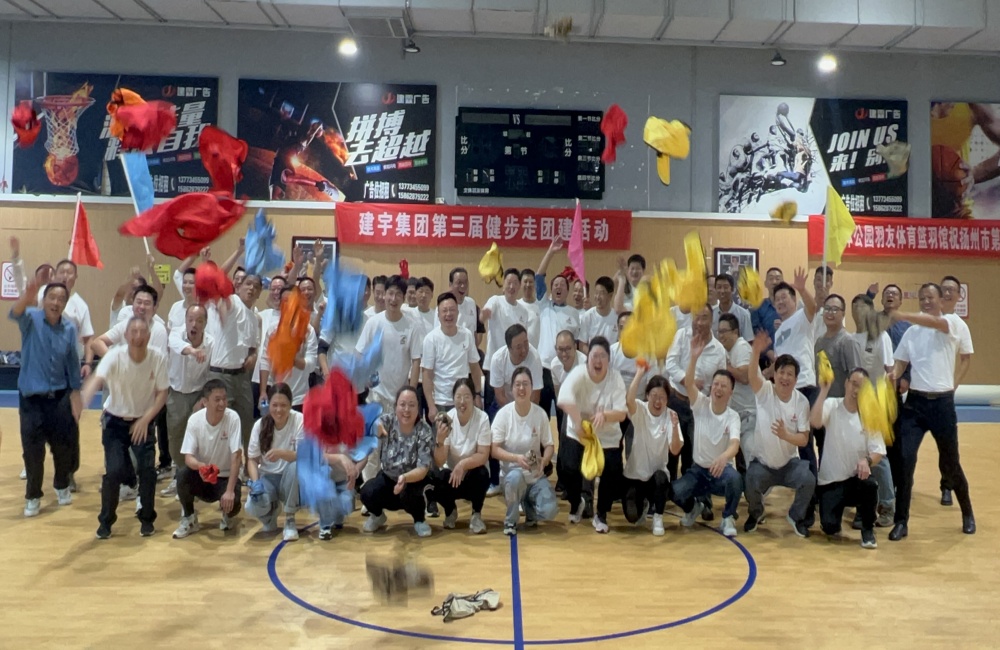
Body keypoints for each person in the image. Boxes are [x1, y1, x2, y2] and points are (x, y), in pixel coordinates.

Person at [888, 283, 975, 541]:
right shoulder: (911, 333)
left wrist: (902, 315)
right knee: (905, 460)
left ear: (940, 301)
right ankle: (901, 521)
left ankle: (967, 512)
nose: (926, 301)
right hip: (915, 405)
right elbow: (900, 362)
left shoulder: (949, 323)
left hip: (942, 405)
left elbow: (935, 323)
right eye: (922, 298)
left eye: (930, 297)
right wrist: (894, 373)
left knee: (951, 463)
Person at [80, 317, 168, 539]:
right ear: (126, 336)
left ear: (148, 336)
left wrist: (145, 420)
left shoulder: (157, 358)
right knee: (114, 472)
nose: (138, 336)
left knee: (147, 471)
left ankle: (146, 519)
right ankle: (106, 521)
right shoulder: (114, 356)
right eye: (133, 332)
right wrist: (82, 402)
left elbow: (162, 394)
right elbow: (96, 380)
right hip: (115, 422)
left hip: (143, 421)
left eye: (142, 332)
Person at [10, 280, 83, 517]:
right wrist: (27, 295)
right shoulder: (31, 318)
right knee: (33, 451)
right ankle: (33, 496)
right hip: (31, 399)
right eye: (52, 297)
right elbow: (14, 313)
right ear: (44, 300)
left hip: (59, 398)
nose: (56, 302)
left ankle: (61, 485)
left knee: (63, 447)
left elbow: (72, 362)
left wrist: (76, 392)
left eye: (61, 299)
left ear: (65, 303)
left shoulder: (69, 328)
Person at [744, 332, 816, 538]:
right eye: (781, 372)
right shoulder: (765, 391)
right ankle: (756, 513)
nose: (785, 377)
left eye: (789, 374)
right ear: (774, 375)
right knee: (749, 480)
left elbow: (803, 439)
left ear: (796, 379)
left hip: (789, 464)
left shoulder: (801, 402)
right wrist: (756, 351)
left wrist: (785, 435)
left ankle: (795, 516)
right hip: (763, 463)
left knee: (808, 479)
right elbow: (752, 377)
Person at [356, 275, 425, 482]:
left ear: (404, 298)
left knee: (400, 446)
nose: (393, 299)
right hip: (376, 397)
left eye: (398, 295)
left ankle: (397, 487)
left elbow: (416, 361)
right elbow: (360, 354)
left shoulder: (412, 326)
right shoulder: (373, 323)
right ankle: (369, 488)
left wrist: (410, 393)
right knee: (373, 447)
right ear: (384, 295)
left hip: (400, 400)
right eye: (390, 293)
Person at [669, 342, 742, 537]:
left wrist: (723, 457)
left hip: (721, 471)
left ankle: (728, 517)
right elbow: (688, 383)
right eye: (716, 384)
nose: (718, 388)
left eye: (723, 386)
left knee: (736, 480)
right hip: (699, 471)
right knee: (674, 492)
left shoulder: (733, 416)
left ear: (731, 391)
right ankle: (694, 508)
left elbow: (734, 444)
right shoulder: (701, 403)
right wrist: (693, 358)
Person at [557, 336, 627, 533]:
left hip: (606, 436)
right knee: (568, 468)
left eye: (602, 356)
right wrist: (578, 422)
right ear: (587, 359)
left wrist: (605, 415)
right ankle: (576, 502)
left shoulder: (615, 378)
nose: (598, 361)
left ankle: (601, 514)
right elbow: (563, 399)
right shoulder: (579, 373)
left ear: (609, 360)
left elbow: (622, 413)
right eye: (594, 356)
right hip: (579, 432)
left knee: (611, 471)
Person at [810, 368, 883, 549]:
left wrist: (867, 460)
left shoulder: (869, 414)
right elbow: (815, 421)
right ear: (846, 383)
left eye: (861, 387)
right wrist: (824, 391)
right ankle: (831, 515)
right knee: (830, 527)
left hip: (855, 480)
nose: (856, 390)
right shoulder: (832, 405)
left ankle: (868, 530)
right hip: (831, 481)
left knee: (870, 485)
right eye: (854, 384)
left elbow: (878, 451)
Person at [664, 304, 727, 512]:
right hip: (676, 400)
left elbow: (721, 381)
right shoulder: (681, 336)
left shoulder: (718, 350)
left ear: (712, 321)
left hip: (700, 408)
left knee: (696, 454)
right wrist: (688, 381)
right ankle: (667, 495)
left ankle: (701, 499)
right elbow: (670, 364)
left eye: (704, 318)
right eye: (696, 317)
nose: (699, 322)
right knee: (671, 451)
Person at [360, 387, 441, 538]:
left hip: (412, 481)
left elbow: (423, 468)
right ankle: (378, 516)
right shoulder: (388, 421)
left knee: (411, 494)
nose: (406, 410)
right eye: (402, 404)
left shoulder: (424, 430)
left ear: (418, 407)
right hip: (388, 478)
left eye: (411, 405)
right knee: (366, 492)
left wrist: (404, 478)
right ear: (395, 405)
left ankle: (419, 520)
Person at [173, 379, 244, 538]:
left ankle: (228, 514)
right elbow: (188, 457)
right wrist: (201, 466)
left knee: (233, 503)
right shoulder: (194, 420)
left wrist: (230, 491)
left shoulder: (233, 418)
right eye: (217, 399)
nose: (222, 403)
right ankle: (189, 518)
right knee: (182, 475)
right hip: (204, 475)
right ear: (205, 402)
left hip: (225, 476)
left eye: (224, 399)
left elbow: (236, 456)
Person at [492, 367, 557, 535]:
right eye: (518, 384)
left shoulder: (540, 414)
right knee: (515, 479)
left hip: (534, 475)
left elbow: (549, 445)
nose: (521, 388)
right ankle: (510, 521)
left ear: (532, 387)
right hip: (512, 475)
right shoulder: (503, 415)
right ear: (512, 388)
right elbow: (494, 449)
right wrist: (516, 458)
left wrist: (544, 461)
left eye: (525, 384)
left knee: (550, 510)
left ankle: (529, 507)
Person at [849, 294, 896, 526]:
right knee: (858, 454)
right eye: (854, 307)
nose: (858, 311)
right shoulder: (850, 339)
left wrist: (888, 406)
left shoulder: (881, 338)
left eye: (863, 307)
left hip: (875, 405)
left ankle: (887, 505)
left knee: (879, 456)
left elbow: (890, 371)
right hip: (853, 406)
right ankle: (862, 506)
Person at [162, 304, 214, 498]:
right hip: (176, 393)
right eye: (190, 320)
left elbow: (211, 372)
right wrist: (192, 351)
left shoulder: (211, 343)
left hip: (199, 394)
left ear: (205, 323)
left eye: (199, 320)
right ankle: (181, 477)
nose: (194, 324)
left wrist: (203, 399)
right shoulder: (176, 334)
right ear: (185, 320)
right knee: (175, 437)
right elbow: (177, 346)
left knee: (198, 438)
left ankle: (196, 481)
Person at [623, 373, 682, 536]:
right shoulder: (640, 409)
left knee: (661, 478)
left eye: (662, 397)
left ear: (667, 400)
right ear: (647, 395)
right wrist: (639, 373)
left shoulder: (671, 415)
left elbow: (675, 450)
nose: (658, 401)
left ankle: (658, 516)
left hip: (656, 476)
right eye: (654, 396)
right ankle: (643, 505)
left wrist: (675, 427)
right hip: (635, 475)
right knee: (632, 517)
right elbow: (629, 400)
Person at [431, 378, 491, 534]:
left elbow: (483, 455)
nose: (462, 402)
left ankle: (476, 515)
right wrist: (439, 441)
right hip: (453, 478)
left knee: (482, 474)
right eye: (458, 397)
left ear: (473, 398)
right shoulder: (448, 419)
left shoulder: (482, 418)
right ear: (453, 399)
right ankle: (450, 510)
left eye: (466, 397)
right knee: (435, 478)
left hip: (472, 476)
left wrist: (462, 465)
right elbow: (440, 461)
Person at [246, 383, 303, 542]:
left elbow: (303, 456)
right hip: (268, 478)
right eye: (275, 405)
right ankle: (270, 515)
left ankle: (290, 518)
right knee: (252, 506)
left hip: (291, 479)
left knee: (296, 466)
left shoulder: (299, 420)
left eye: (283, 405)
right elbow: (252, 459)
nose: (279, 410)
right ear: (268, 405)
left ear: (291, 405)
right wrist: (256, 482)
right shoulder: (260, 425)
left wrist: (281, 453)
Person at [534, 238, 582, 422]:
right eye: (555, 285)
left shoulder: (574, 313)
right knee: (542, 414)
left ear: (567, 291)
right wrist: (551, 251)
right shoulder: (544, 305)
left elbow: (577, 344)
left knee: (565, 416)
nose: (558, 287)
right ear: (551, 290)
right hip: (544, 369)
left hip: (566, 369)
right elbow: (539, 276)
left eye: (562, 285)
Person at [939, 275, 974, 507]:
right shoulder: (928, 319)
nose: (948, 292)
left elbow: (965, 358)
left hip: (944, 396)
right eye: (944, 288)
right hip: (921, 393)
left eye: (952, 289)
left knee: (948, 447)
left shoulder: (961, 326)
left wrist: (954, 385)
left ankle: (947, 486)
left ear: (959, 296)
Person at [813, 294, 863, 456]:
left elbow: (858, 380)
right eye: (827, 309)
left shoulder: (847, 341)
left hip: (843, 411)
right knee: (825, 453)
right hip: (825, 409)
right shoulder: (819, 342)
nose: (830, 313)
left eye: (835, 309)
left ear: (843, 314)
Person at [421, 292, 483, 420]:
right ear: (438, 314)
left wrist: (477, 395)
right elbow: (427, 375)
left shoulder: (467, 335)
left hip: (464, 400)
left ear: (458, 312)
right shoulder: (431, 339)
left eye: (452, 310)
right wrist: (431, 406)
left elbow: (475, 368)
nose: (448, 314)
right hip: (441, 402)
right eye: (444, 311)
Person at [259, 287, 319, 411]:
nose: (289, 304)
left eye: (292, 300)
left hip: (299, 398)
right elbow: (265, 360)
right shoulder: (273, 330)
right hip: (276, 395)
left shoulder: (308, 331)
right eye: (285, 300)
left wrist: (290, 356)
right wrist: (263, 391)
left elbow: (311, 365)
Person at [481, 268, 530, 404]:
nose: (511, 286)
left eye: (515, 283)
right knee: (492, 408)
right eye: (509, 282)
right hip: (493, 365)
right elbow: (484, 314)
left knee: (513, 405)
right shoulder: (496, 301)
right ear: (503, 285)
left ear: (519, 286)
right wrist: (483, 315)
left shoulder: (523, 311)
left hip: (514, 367)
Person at [716, 313, 756, 474]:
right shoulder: (727, 351)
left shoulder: (741, 347)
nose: (721, 336)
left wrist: (725, 366)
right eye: (719, 332)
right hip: (737, 416)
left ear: (735, 332)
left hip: (750, 415)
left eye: (724, 331)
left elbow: (745, 377)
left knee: (752, 460)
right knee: (740, 464)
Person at [489, 324, 543, 409]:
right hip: (505, 404)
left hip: (528, 404)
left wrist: (524, 412)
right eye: (519, 347)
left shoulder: (534, 358)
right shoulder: (497, 359)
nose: (524, 350)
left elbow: (535, 395)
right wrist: (513, 413)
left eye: (526, 343)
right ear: (509, 348)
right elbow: (500, 395)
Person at [579, 276, 619, 353]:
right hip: (592, 357)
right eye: (596, 292)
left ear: (610, 296)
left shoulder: (617, 317)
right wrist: (593, 356)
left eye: (601, 293)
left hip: (611, 358)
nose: (597, 297)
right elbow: (582, 344)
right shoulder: (587, 316)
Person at [750, 267, 784, 353]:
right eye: (771, 279)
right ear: (765, 283)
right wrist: (770, 354)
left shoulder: (789, 306)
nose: (774, 282)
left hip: (787, 354)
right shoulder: (758, 307)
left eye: (777, 279)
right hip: (764, 356)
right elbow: (757, 334)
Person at [712, 274, 753, 341]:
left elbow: (748, 341)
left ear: (733, 290)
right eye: (719, 287)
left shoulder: (743, 314)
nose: (722, 291)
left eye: (725, 287)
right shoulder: (711, 314)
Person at [518, 268, 541, 348]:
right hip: (520, 351)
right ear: (520, 284)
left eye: (530, 282)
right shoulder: (516, 305)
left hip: (537, 351)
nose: (528, 285)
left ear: (535, 284)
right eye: (525, 281)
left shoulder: (541, 306)